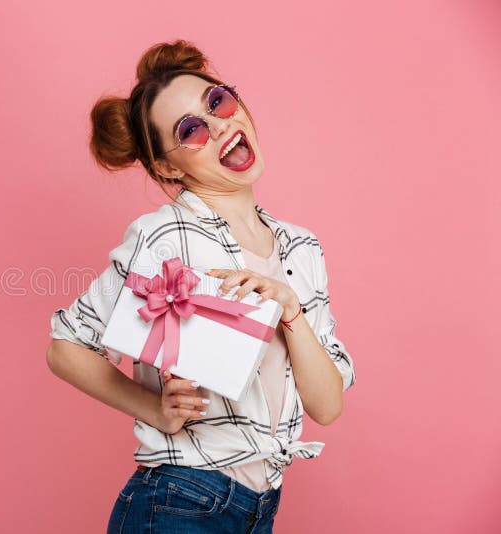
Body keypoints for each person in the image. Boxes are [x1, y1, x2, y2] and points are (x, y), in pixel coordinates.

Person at [46, 39, 356, 534]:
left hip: (259, 509)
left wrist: (290, 313)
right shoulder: (165, 235)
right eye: (191, 131)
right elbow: (66, 346)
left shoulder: (302, 248)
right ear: (168, 167)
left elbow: (327, 406)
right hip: (181, 500)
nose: (218, 127)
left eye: (218, 103)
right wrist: (154, 409)